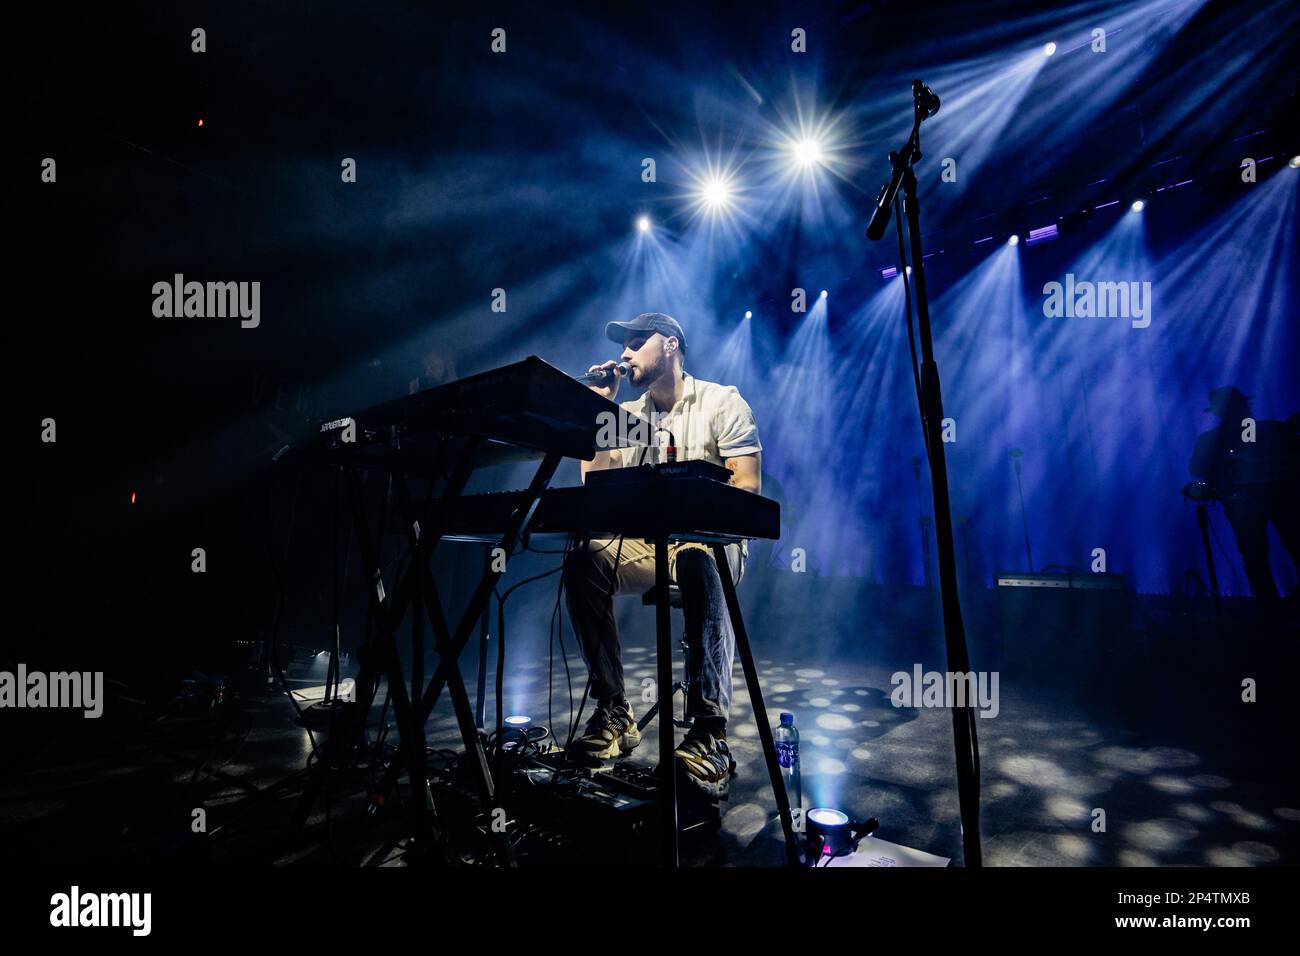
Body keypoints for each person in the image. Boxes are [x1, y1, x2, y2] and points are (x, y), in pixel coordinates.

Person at [564, 312, 762, 795]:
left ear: (670, 345)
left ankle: (709, 731)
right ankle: (615, 708)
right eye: (623, 345)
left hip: (713, 545)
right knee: (585, 560)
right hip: (652, 545)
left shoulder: (722, 401)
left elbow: (748, 490)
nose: (625, 353)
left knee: (698, 557)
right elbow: (595, 488)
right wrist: (600, 414)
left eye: (636, 342)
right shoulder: (626, 417)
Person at [1188, 386, 1300, 601]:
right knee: (1257, 555)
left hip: (1269, 499)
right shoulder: (1216, 438)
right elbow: (1197, 468)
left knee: (1275, 550)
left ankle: (1271, 608)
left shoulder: (1264, 430)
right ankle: (1270, 608)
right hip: (1249, 502)